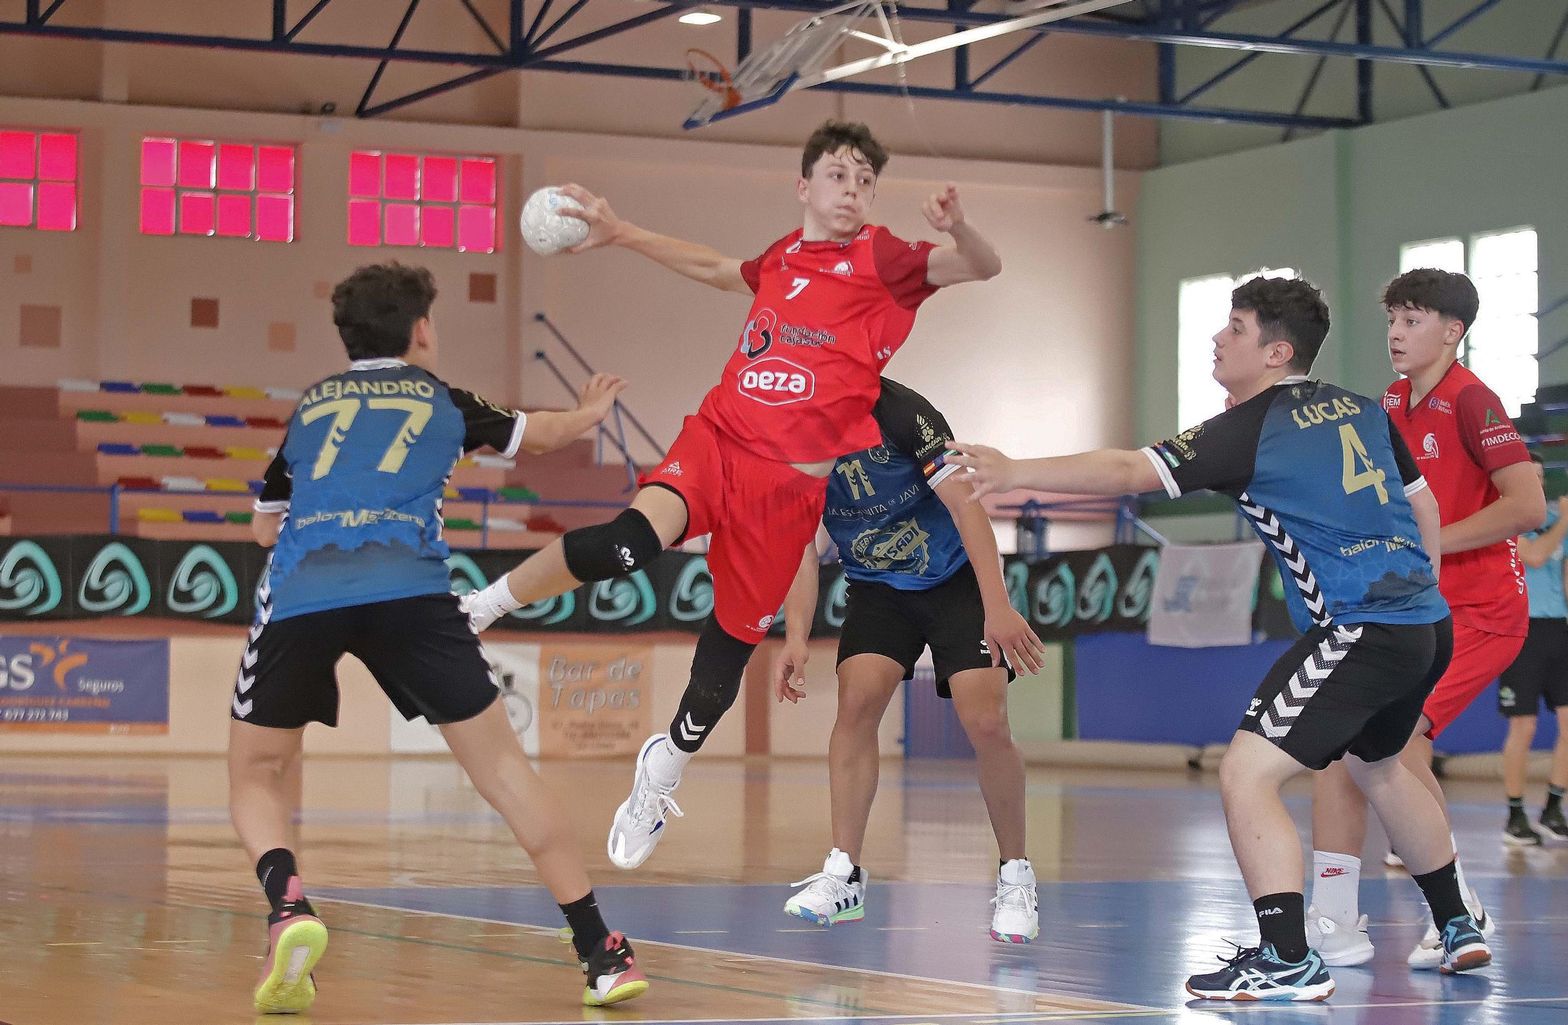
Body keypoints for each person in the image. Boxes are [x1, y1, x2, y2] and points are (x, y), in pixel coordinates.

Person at [466, 121, 1003, 870]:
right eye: (839, 175)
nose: (853, 191)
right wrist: (622, 233)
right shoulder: (782, 257)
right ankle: (481, 606)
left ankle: (664, 766)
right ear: (804, 185)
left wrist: (960, 227)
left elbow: (981, 265)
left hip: (787, 491)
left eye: (865, 181)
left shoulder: (885, 259)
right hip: (718, 440)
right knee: (628, 543)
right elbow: (717, 268)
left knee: (718, 673)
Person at [950, 276, 1491, 1002]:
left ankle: (1287, 956)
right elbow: (1422, 508)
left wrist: (1016, 470)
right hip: (1425, 621)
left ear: (1276, 352)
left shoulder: (1252, 428)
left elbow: (1127, 469)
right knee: (1382, 766)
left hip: (1360, 625)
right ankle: (1456, 923)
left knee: (1245, 773)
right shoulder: (1364, 409)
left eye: (1234, 328)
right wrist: (1420, 589)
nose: (1216, 339)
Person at [232, 262, 646, 1013]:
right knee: (506, 773)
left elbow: (264, 529)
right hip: (412, 593)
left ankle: (288, 905)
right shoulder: (444, 400)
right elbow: (541, 434)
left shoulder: (313, 405)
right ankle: (602, 952)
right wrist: (589, 412)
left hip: (304, 590)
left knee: (257, 771)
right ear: (421, 329)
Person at [1306, 268, 1544, 970]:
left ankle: (1458, 909)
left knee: (1398, 743)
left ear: (1452, 331)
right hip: (1418, 609)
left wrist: (1432, 544)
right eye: (1392, 320)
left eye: (1412, 320)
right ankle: (1335, 918)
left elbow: (1528, 506)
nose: (1396, 333)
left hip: (1483, 611)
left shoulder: (1473, 400)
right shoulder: (1390, 401)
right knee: (1346, 745)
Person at [771, 378, 1046, 940]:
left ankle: (1015, 874)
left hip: (954, 580)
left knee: (986, 721)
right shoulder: (790, 430)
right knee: (857, 702)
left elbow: (966, 507)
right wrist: (795, 634)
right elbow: (799, 545)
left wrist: (997, 606)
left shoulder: (902, 412)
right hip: (877, 588)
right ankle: (844, 874)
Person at [1500, 453, 1568, 844]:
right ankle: (1515, 815)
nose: (1536, 482)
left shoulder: (1560, 521)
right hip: (1520, 630)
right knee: (1524, 725)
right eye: (1529, 476)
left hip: (1558, 630)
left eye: (1540, 476)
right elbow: (1536, 556)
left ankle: (1553, 808)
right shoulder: (1506, 519)